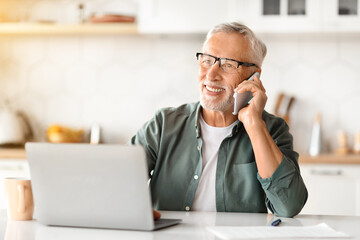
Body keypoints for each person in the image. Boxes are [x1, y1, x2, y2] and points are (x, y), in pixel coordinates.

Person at [130, 22, 308, 218]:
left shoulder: (272, 130)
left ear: (254, 75)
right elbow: (117, 181)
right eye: (207, 60)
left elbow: (288, 206)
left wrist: (254, 125)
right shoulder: (163, 124)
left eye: (228, 65)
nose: (211, 74)